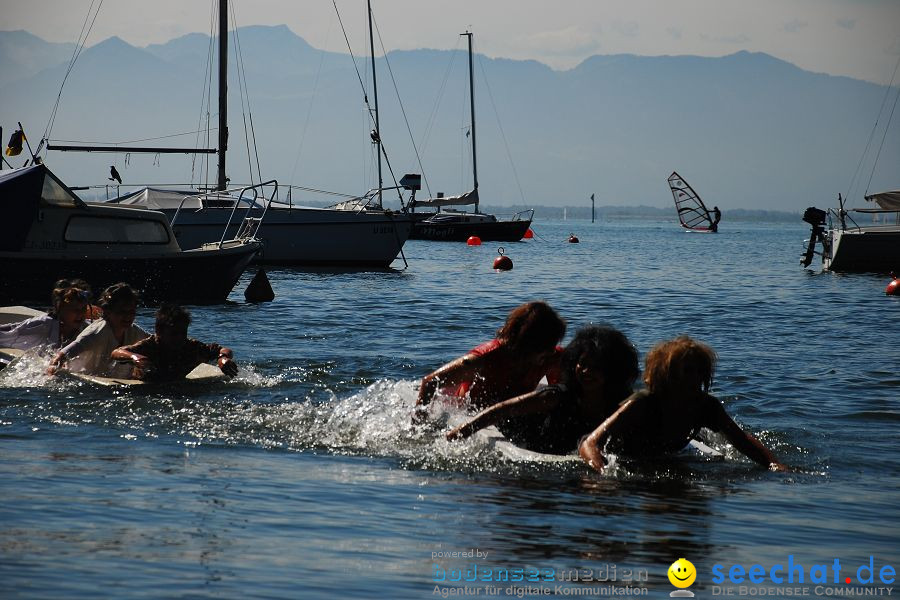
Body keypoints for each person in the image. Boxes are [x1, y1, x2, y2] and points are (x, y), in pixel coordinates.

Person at [578, 336, 786, 471]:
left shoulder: (706, 406)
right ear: (666, 374)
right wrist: (602, 472)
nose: (694, 378)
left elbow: (741, 441)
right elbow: (590, 443)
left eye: (698, 371)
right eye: (686, 371)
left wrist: (774, 464)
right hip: (622, 453)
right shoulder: (643, 403)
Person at [445, 325, 639, 454]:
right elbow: (503, 409)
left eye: (596, 367)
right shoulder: (558, 396)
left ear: (613, 371)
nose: (587, 372)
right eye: (583, 364)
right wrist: (465, 429)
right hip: (527, 433)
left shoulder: (622, 402)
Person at [415, 301, 566, 418]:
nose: (549, 353)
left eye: (552, 345)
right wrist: (420, 425)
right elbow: (430, 382)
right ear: (527, 343)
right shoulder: (485, 357)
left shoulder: (553, 357)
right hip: (468, 409)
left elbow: (561, 394)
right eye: (544, 347)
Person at [110, 304, 238, 381]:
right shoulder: (149, 346)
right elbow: (116, 352)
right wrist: (134, 357)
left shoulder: (191, 346)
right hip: (147, 390)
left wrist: (223, 358)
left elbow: (222, 349)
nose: (179, 338)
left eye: (183, 333)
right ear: (158, 331)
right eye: (173, 334)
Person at [48, 283, 149, 377]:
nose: (127, 317)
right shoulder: (97, 331)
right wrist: (52, 370)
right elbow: (61, 356)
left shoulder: (133, 330)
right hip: (82, 382)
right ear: (108, 311)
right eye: (121, 312)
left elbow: (155, 341)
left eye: (131, 311)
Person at [0, 284, 88, 350]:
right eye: (75, 310)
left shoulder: (86, 328)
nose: (81, 314)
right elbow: (14, 330)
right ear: (61, 310)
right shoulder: (44, 324)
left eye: (83, 309)